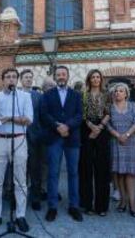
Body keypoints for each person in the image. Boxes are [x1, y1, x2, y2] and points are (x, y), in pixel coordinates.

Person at [0, 68, 33, 233]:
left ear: (17, 80)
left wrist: (10, 118)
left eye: (14, 77)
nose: (11, 79)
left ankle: (20, 215)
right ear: (3, 79)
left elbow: (28, 120)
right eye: (8, 77)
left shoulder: (25, 97)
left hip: (19, 139)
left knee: (20, 180)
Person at [41, 66, 83, 223]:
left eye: (63, 74)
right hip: (54, 138)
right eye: (58, 75)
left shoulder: (76, 95)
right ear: (55, 77)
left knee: (73, 173)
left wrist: (68, 126)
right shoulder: (48, 95)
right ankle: (52, 207)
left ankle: (74, 206)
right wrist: (58, 126)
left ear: (68, 76)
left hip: (72, 138)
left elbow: (79, 115)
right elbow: (44, 114)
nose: (61, 77)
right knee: (53, 173)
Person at [107, 83, 135, 218]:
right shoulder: (110, 108)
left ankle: (132, 203)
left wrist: (127, 135)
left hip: (131, 142)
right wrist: (118, 135)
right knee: (119, 174)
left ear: (126, 94)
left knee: (131, 173)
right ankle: (123, 200)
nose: (118, 93)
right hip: (116, 142)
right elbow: (107, 124)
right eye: (116, 91)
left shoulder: (133, 106)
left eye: (121, 91)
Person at [80, 69, 111, 216]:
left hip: (102, 130)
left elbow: (108, 113)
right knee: (87, 168)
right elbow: (82, 114)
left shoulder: (106, 94)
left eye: (98, 77)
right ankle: (87, 204)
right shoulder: (83, 95)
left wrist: (99, 127)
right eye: (93, 77)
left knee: (102, 169)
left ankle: (101, 206)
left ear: (101, 79)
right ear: (89, 79)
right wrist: (91, 127)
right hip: (87, 130)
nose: (96, 79)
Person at [20, 69, 45, 211]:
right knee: (19, 169)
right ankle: (19, 196)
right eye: (26, 77)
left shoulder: (38, 96)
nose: (28, 79)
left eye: (30, 77)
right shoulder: (15, 95)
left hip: (35, 138)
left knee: (35, 169)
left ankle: (35, 198)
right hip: (18, 137)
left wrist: (40, 134)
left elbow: (42, 116)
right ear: (21, 80)